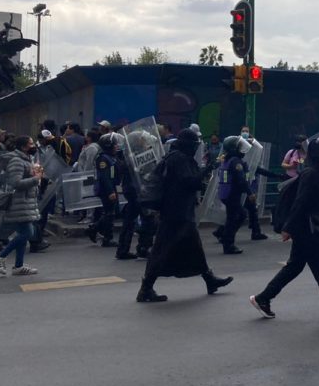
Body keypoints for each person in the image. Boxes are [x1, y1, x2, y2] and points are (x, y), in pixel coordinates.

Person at [250, 137, 319, 323]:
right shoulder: (312, 174)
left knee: (295, 266)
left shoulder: (314, 172)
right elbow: (301, 202)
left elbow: (318, 201)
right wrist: (289, 227)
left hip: (307, 226)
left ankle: (263, 298)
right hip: (307, 228)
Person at [136, 129, 232, 302]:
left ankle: (209, 280)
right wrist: (208, 169)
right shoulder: (178, 159)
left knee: (194, 247)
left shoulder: (175, 157)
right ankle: (146, 289)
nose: (195, 148)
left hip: (179, 211)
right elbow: (190, 182)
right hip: (175, 213)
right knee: (161, 250)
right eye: (194, 145)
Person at [0, 135, 43, 276]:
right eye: (31, 143)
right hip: (19, 203)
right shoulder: (17, 161)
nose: (33, 146)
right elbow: (16, 183)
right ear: (24, 146)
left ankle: (18, 266)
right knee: (27, 233)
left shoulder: (26, 159)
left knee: (23, 234)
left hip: (25, 202)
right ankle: (1, 255)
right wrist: (35, 179)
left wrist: (36, 176)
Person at [216, 135, 250, 254]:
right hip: (232, 193)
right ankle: (228, 243)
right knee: (236, 217)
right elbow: (241, 179)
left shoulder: (227, 158)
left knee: (237, 216)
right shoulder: (235, 161)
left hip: (226, 193)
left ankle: (225, 238)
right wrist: (250, 193)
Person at [88, 133, 121, 248]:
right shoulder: (103, 159)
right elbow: (105, 177)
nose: (117, 146)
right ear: (108, 145)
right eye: (115, 144)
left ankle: (94, 229)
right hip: (107, 189)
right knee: (109, 213)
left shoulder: (112, 157)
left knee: (110, 213)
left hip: (111, 188)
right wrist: (111, 191)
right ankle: (107, 238)